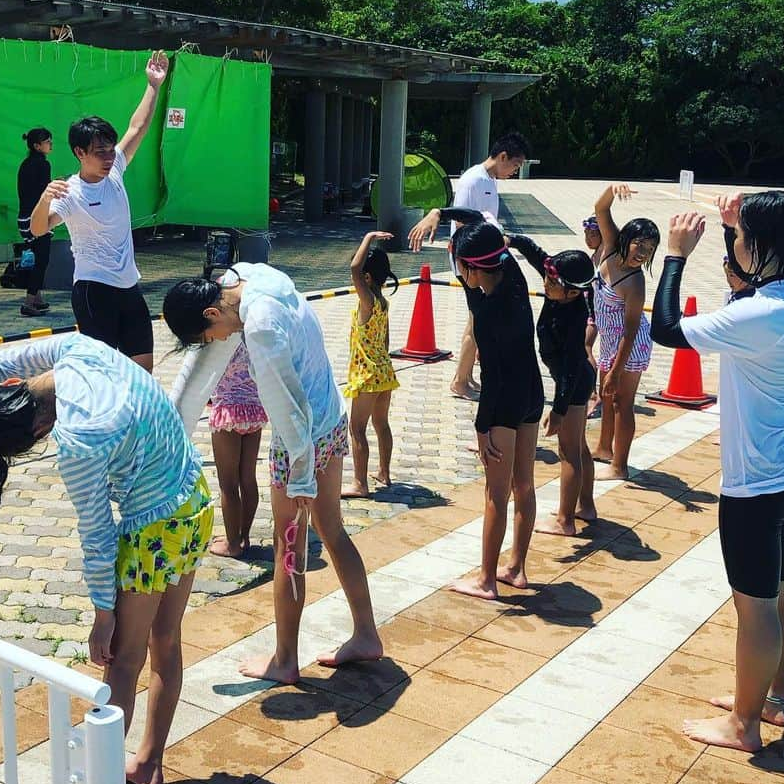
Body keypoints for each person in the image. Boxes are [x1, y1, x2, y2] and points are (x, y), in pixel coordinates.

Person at [0, 333, 213, 784]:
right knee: (166, 640)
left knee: (122, 661)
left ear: (40, 431)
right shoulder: (81, 350)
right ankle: (148, 762)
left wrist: (104, 614)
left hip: (157, 529)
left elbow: (98, 535)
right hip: (193, 496)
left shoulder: (80, 440)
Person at [651, 191, 784, 752]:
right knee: (783, 588)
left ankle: (744, 725)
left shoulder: (760, 313)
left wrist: (675, 254)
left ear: (765, 248)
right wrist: (731, 231)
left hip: (757, 483)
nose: (737, 246)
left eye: (744, 238)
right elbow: (749, 280)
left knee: (755, 608)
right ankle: (772, 697)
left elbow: (668, 331)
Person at [165, 263, 382, 683]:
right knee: (332, 531)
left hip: (301, 437)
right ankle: (366, 633)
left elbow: (286, 404)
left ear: (211, 315)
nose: (220, 341)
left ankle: (284, 660)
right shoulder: (250, 278)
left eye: (210, 334)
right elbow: (199, 371)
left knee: (289, 551)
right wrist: (171, 436)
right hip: (330, 416)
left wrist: (299, 476)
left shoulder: (260, 327)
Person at [415, 210, 542, 598]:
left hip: (503, 403)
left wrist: (481, 427)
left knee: (495, 493)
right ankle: (516, 568)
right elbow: (483, 230)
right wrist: (444, 214)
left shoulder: (486, 313)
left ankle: (487, 580)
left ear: (472, 268)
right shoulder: (515, 279)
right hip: (534, 394)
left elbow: (493, 381)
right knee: (525, 484)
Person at [30, 51, 170, 373]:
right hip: (94, 292)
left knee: (142, 371)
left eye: (110, 149)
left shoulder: (116, 169)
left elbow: (137, 128)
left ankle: (132, 423)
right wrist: (43, 200)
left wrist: (153, 85)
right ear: (80, 153)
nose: (109, 156)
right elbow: (38, 230)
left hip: (129, 288)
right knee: (103, 373)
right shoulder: (71, 191)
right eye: (99, 152)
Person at [407, 132, 531, 401]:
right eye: (515, 165)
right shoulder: (474, 180)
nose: (514, 172)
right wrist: (472, 262)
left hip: (481, 261)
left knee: (478, 319)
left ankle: (465, 377)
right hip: (472, 264)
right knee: (479, 320)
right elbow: (463, 222)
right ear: (502, 157)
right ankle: (461, 380)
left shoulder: (489, 180)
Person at [510, 240, 598, 537]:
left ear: (573, 291)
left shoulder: (573, 318)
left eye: (551, 281)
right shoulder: (558, 286)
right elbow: (535, 252)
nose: (545, 283)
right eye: (547, 277)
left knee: (568, 452)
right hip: (574, 380)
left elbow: (571, 368)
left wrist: (559, 410)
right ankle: (585, 505)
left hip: (573, 384)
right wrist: (509, 240)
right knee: (579, 446)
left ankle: (566, 521)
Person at [591, 185, 659, 480]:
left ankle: (620, 466)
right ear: (626, 239)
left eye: (650, 249)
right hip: (609, 340)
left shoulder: (635, 283)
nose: (642, 253)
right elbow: (601, 209)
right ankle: (604, 448)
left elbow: (630, 332)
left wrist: (616, 370)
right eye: (639, 245)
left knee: (622, 402)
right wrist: (611, 189)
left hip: (629, 344)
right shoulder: (609, 246)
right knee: (606, 396)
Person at [342, 231, 400, 499]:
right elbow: (386, 340)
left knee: (356, 429)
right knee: (382, 425)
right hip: (384, 372)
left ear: (366, 278)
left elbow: (354, 267)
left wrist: (368, 236)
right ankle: (384, 472)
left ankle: (359, 483)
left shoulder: (367, 302)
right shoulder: (383, 303)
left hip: (366, 375)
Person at [205, 341, 268, 558]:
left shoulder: (219, 338)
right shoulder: (252, 335)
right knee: (248, 479)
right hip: (253, 410)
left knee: (228, 484)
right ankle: (244, 536)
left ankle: (232, 544)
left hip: (228, 413)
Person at [16, 128, 54, 317]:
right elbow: (44, 195)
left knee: (38, 257)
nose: (50, 144)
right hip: (35, 219)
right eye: (47, 141)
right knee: (42, 261)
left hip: (23, 218)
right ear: (36, 146)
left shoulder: (25, 164)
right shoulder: (43, 165)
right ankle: (29, 301)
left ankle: (37, 299)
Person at [582, 216, 603, 418]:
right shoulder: (595, 255)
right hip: (588, 308)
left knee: (585, 346)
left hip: (597, 311)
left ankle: (592, 394)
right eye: (586, 234)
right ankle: (592, 392)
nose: (588, 238)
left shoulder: (606, 255)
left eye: (593, 234)